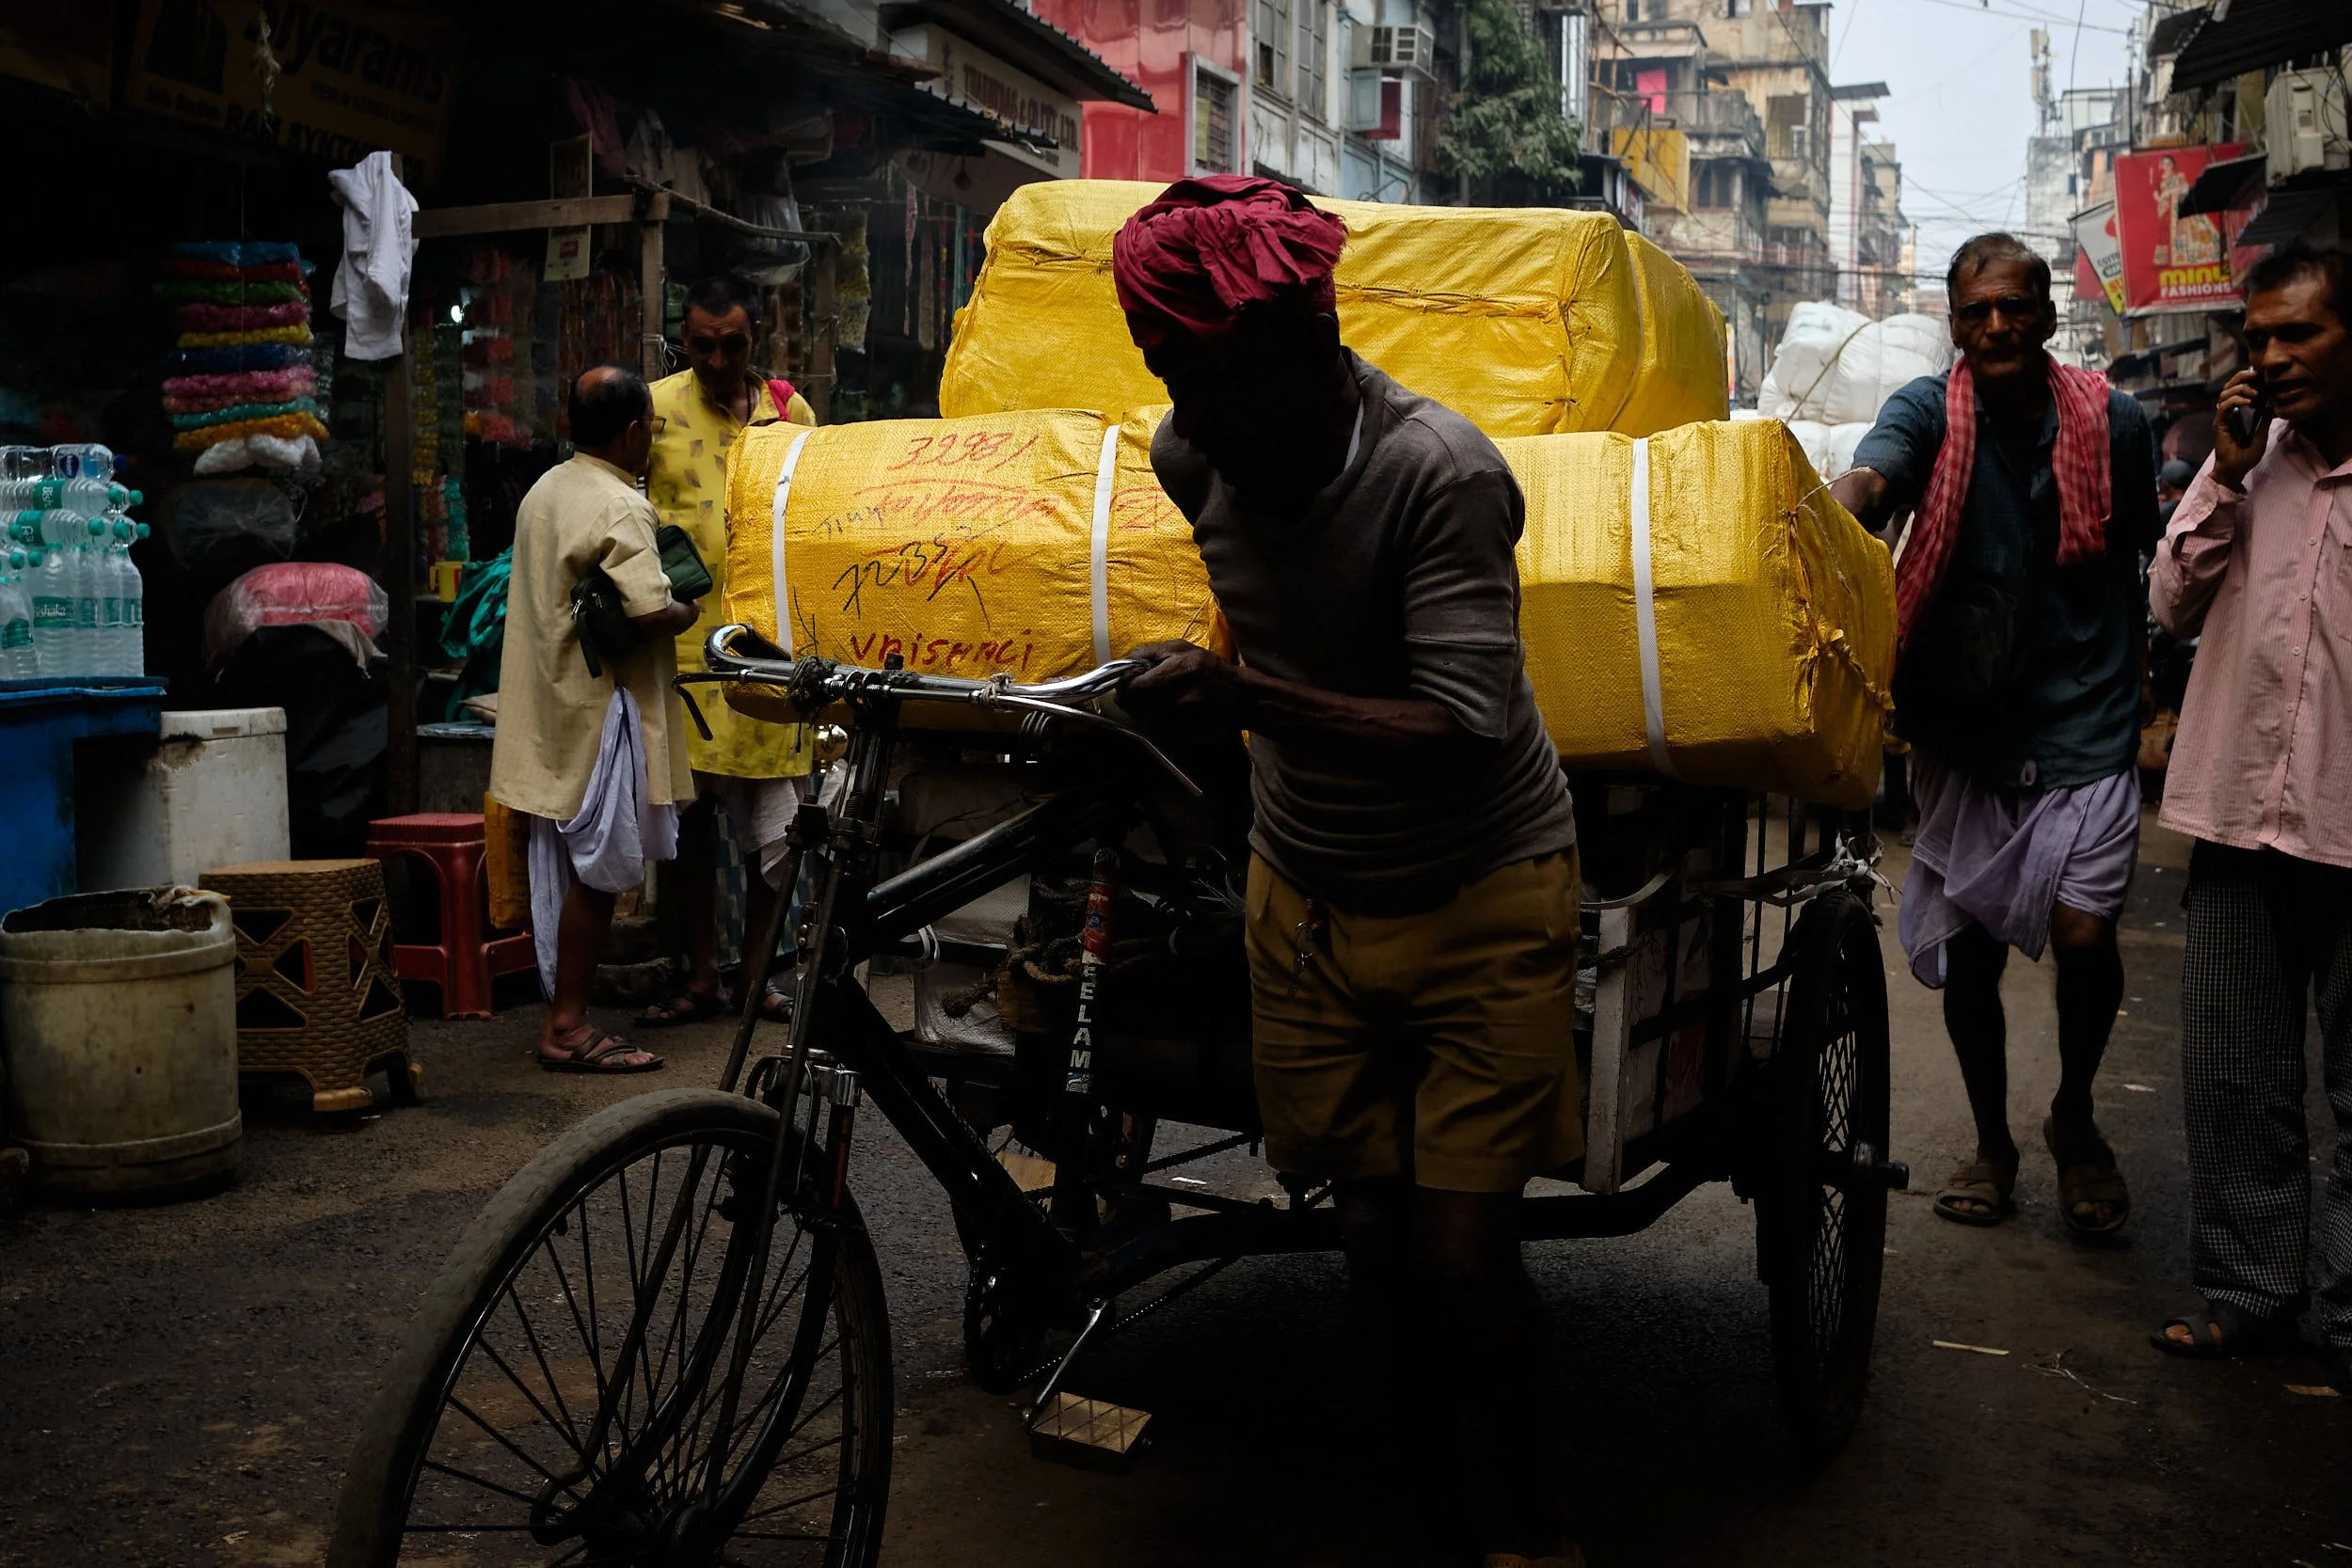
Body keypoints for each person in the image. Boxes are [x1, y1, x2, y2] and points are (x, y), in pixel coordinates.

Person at [1110, 176, 1584, 1568]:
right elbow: (1267, 616)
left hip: (1482, 887)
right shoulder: (1191, 453)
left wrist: (1244, 702)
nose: (1193, 414)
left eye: (1218, 378)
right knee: (1371, 1237)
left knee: (1463, 1253)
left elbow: (1467, 722)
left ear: (1313, 344)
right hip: (1307, 892)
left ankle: (1534, 1525)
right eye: (1172, 380)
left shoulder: (1441, 473)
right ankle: (1434, 1514)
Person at [1831, 232, 2160, 1238]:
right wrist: (1831, 515)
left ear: (2047, 317)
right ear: (1955, 324)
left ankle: (2074, 1115)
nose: (1997, 326)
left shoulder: (2116, 422)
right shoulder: (1930, 411)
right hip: (1966, 721)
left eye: (2015, 307)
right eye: (1975, 312)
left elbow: (2136, 557)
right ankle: (1990, 1141)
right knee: (1970, 954)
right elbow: (1873, 479)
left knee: (2084, 935)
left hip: (2087, 713)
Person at [2147, 240, 2352, 1370]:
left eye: (2299, 333)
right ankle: (2247, 1287)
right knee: (2233, 1074)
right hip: (2234, 811)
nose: (2270, 358)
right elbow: (2170, 603)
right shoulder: (2244, 463)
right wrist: (2221, 477)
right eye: (2256, 337)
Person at [487, 365, 698, 1072]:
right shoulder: (620, 505)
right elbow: (650, 611)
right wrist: (689, 608)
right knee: (601, 871)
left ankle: (563, 1013)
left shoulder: (546, 489)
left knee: (577, 865)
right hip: (603, 712)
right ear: (635, 430)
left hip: (554, 703)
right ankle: (567, 1024)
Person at [636, 275, 818, 1028]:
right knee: (688, 826)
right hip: (685, 650)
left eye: (732, 346)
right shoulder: (654, 409)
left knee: (774, 821)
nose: (716, 361)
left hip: (770, 645)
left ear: (755, 341)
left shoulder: (790, 413)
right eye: (703, 346)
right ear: (684, 340)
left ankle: (755, 975)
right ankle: (701, 973)